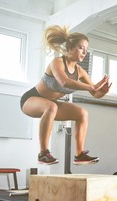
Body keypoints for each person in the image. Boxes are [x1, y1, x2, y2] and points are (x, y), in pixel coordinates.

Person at [20, 25, 111, 165]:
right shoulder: (57, 63)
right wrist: (92, 86)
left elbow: (94, 93)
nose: (85, 52)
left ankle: (79, 155)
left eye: (86, 49)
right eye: (81, 47)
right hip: (30, 100)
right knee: (51, 106)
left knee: (82, 113)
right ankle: (43, 153)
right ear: (70, 48)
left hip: (51, 104)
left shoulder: (80, 71)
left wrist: (102, 92)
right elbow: (64, 82)